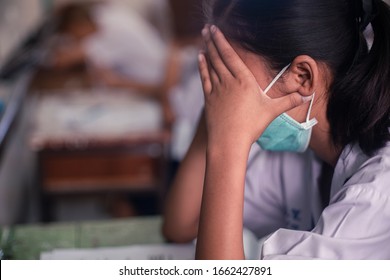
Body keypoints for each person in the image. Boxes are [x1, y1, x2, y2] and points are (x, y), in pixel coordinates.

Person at [162, 0, 390, 259]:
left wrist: (229, 139)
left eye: (233, 75)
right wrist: (214, 115)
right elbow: (182, 225)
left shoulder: (377, 193)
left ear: (302, 76)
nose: (225, 90)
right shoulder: (304, 152)